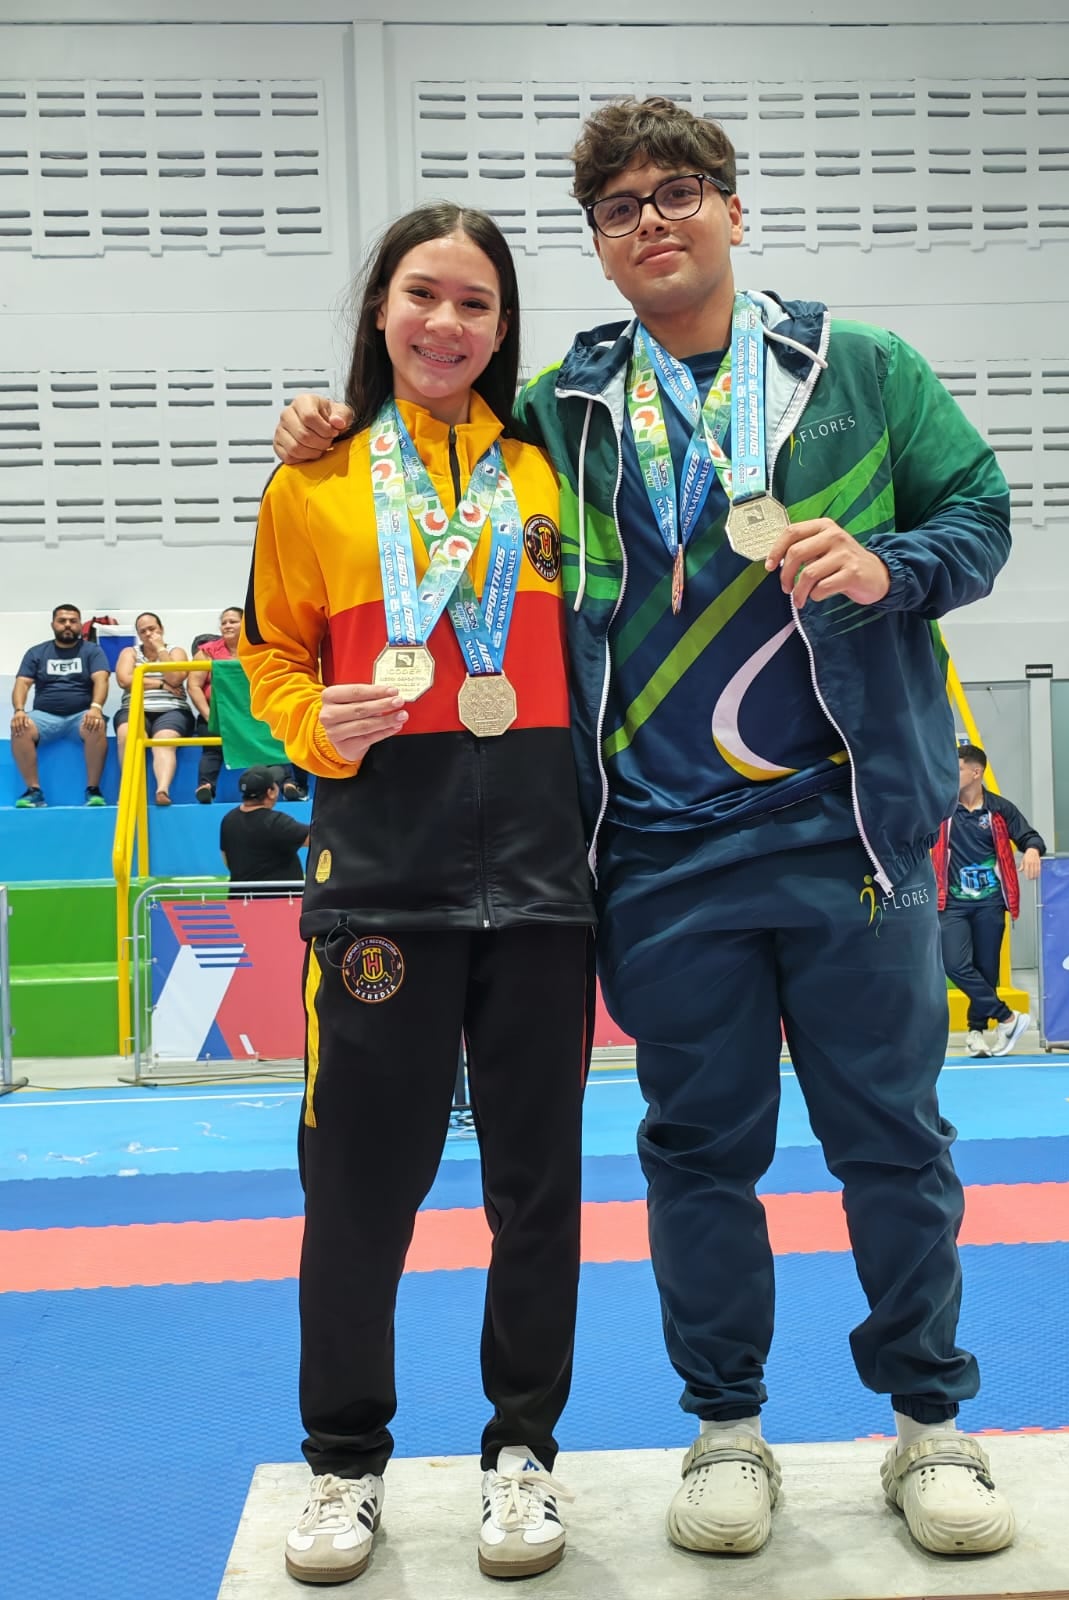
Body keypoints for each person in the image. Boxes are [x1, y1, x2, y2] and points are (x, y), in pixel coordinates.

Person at [272, 97, 1015, 1561]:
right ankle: (727, 1428)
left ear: (734, 212)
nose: (654, 221)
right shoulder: (566, 404)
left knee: (894, 1142)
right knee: (696, 1154)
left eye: (681, 193)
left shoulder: (859, 373)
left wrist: (891, 562)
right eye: (621, 208)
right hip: (661, 854)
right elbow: (438, 438)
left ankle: (929, 1426)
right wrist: (329, 418)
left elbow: (981, 516)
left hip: (850, 839)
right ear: (600, 250)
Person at [241, 202, 594, 1587]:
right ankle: (343, 1466)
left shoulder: (551, 471)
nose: (448, 325)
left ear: (506, 331)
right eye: (423, 296)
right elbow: (259, 661)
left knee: (539, 1193)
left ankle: (522, 1455)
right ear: (379, 310)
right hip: (377, 889)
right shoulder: (314, 484)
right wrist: (314, 728)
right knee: (357, 1192)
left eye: (478, 305)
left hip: (544, 891)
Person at [933, 744, 1045, 1057]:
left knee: (986, 970)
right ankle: (1008, 1018)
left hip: (990, 904)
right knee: (954, 964)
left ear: (975, 772)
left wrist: (1033, 850)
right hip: (951, 902)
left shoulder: (998, 809)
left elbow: (1029, 836)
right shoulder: (942, 808)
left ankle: (976, 1033)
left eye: (956, 769)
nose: (949, 774)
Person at [189, 608, 309, 803]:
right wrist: (209, 715)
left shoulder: (260, 650)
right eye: (224, 622)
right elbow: (193, 685)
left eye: (233, 621)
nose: (227, 625)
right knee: (211, 741)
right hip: (219, 715)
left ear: (244, 624)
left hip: (256, 714)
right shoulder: (206, 653)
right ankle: (206, 787)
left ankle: (287, 784)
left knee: (272, 734)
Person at [10, 604, 110, 807]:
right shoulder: (37, 652)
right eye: (62, 621)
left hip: (81, 715)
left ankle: (93, 790)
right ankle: (33, 791)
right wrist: (19, 710)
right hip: (44, 716)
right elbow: (22, 683)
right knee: (20, 727)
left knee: (96, 724)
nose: (67, 625)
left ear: (80, 625)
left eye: (73, 621)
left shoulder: (92, 651)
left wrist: (96, 707)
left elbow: (102, 679)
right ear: (53, 624)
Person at [114, 612, 193, 805]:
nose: (148, 634)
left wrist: (160, 649)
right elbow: (124, 680)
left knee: (163, 740)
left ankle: (162, 790)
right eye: (143, 631)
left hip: (172, 709)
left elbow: (175, 678)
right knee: (127, 734)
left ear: (161, 629)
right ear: (138, 635)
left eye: (152, 629)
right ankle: (129, 790)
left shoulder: (176, 651)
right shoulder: (129, 653)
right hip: (134, 708)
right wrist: (161, 684)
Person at [219, 765, 309, 883]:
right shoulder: (277, 822)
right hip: (279, 899)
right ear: (270, 792)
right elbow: (318, 838)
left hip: (240, 898)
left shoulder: (228, 820)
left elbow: (226, 858)